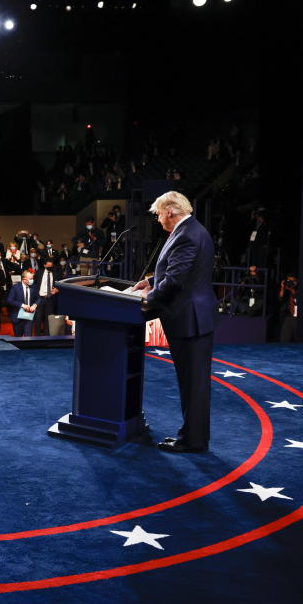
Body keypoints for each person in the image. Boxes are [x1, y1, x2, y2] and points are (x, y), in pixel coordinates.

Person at [132, 191, 215, 453]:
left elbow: (177, 280)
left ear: (169, 210)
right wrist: (152, 283)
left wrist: (147, 300)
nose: (158, 219)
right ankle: (191, 436)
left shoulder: (187, 234)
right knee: (192, 384)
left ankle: (193, 441)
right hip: (192, 318)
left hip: (190, 320)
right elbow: (180, 274)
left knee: (193, 385)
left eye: (158, 214)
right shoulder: (192, 230)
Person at [7, 271, 39, 336]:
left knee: (28, 337)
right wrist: (22, 305)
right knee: (18, 338)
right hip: (17, 316)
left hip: (29, 316)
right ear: (24, 279)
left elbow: (39, 298)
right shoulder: (15, 287)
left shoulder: (34, 287)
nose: (32, 280)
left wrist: (35, 305)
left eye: (32, 279)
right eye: (30, 279)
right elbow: (10, 300)